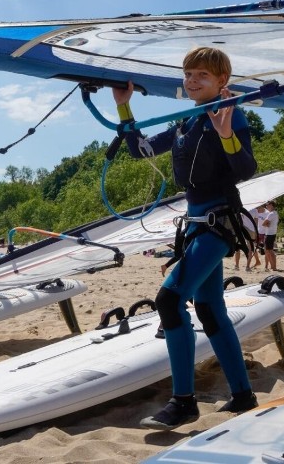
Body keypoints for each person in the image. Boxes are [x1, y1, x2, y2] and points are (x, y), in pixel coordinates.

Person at [112, 46, 258, 430]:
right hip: (195, 224)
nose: (192, 81)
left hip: (219, 223)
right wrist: (124, 107)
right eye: (188, 74)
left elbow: (245, 168)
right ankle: (243, 396)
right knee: (209, 308)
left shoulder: (231, 114)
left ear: (222, 81)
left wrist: (226, 134)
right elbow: (138, 149)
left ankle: (183, 402)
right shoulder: (184, 122)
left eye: (202, 76)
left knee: (169, 300)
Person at [233, 205, 261, 272]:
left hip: (243, 229)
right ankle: (247, 267)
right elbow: (256, 222)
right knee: (249, 248)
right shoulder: (255, 210)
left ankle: (238, 266)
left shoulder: (241, 208)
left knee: (240, 248)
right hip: (250, 230)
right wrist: (256, 232)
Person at [261, 201, 279, 271]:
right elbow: (266, 223)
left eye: (267, 205)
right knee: (268, 250)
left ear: (271, 205)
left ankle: (274, 267)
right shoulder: (275, 213)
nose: (266, 207)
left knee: (270, 251)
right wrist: (267, 224)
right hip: (271, 233)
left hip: (269, 234)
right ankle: (271, 266)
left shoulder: (271, 214)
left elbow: (264, 223)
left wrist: (267, 224)